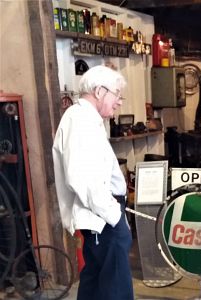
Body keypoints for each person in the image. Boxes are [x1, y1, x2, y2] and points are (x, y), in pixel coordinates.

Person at [52, 65, 134, 300]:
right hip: (103, 220)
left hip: (101, 218)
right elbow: (82, 178)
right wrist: (114, 216)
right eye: (116, 94)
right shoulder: (81, 121)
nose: (119, 101)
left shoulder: (86, 119)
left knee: (96, 285)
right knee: (114, 290)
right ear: (99, 91)